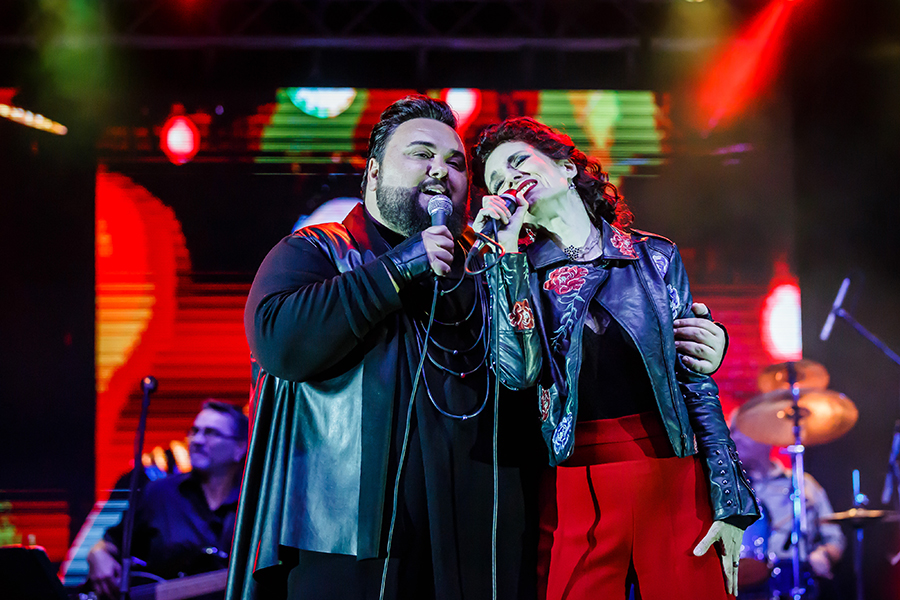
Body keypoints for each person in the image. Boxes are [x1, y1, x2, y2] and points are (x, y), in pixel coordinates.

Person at [227, 96, 728, 600]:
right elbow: (278, 342)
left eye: (455, 163)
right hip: (349, 546)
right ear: (374, 172)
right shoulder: (318, 250)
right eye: (421, 154)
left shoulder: (489, 264)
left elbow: (565, 359)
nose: (440, 170)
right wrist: (401, 266)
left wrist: (698, 344)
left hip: (480, 544)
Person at [471, 116, 760, 600]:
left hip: (672, 480)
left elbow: (695, 383)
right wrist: (506, 256)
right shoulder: (514, 273)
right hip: (573, 486)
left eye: (519, 161)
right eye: (497, 180)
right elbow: (518, 373)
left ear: (567, 168)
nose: (509, 180)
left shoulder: (655, 257)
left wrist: (730, 502)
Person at [86, 400, 248, 598]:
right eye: (194, 431)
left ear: (240, 448)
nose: (197, 440)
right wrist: (97, 554)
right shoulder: (159, 493)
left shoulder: (254, 503)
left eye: (211, 433)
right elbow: (112, 542)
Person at [731, 426, 845, 599]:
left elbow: (834, 538)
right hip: (742, 586)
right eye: (732, 431)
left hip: (794, 581)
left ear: (766, 438)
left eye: (741, 430)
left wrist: (824, 555)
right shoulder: (730, 489)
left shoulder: (802, 484)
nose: (734, 437)